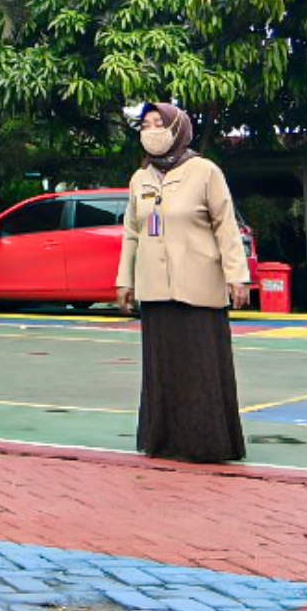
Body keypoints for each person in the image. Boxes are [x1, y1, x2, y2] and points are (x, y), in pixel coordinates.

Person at [117, 101, 252, 464]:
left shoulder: (205, 171)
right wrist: (124, 281)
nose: (151, 130)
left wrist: (237, 276)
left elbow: (226, 226)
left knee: (201, 365)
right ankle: (162, 440)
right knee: (163, 368)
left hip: (199, 285)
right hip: (155, 289)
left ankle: (206, 442)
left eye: (159, 123)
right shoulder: (140, 179)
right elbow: (132, 232)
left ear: (178, 128)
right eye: (145, 125)